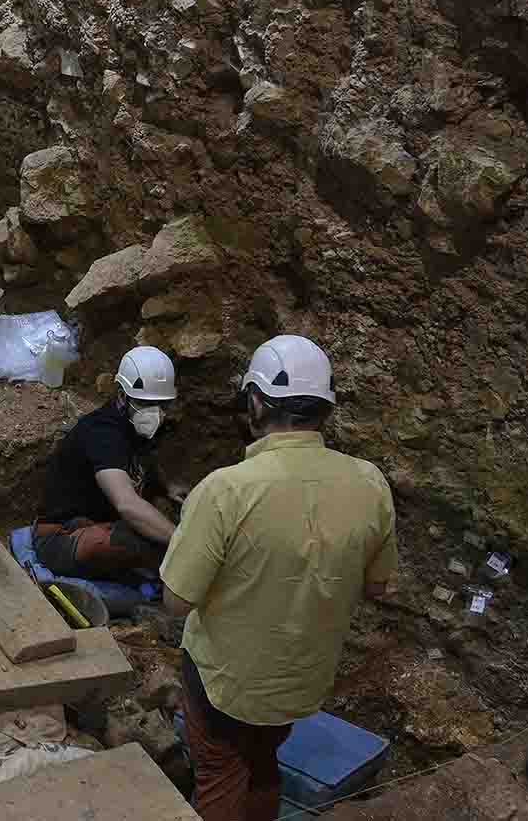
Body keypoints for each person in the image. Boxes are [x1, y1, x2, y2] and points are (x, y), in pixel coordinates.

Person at [160, 335, 398, 821]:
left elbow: (176, 602)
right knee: (264, 763)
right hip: (300, 681)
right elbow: (377, 586)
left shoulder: (225, 489)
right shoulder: (371, 482)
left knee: (220, 771)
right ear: (326, 409)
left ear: (254, 401)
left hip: (226, 684)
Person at [30, 346, 186, 580]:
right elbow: (126, 504)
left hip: (102, 520)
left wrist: (167, 487)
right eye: (144, 403)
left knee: (166, 520)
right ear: (122, 395)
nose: (155, 413)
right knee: (138, 540)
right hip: (59, 537)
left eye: (162, 404)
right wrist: (182, 543)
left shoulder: (137, 426)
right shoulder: (102, 434)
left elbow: (141, 460)